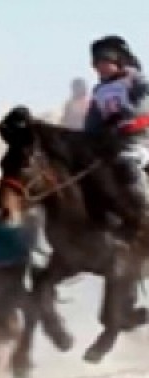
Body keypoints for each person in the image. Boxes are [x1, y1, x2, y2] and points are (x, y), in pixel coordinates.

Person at [84, 35, 149, 241]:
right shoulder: (99, 90)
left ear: (118, 61)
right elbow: (92, 120)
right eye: (96, 64)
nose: (99, 68)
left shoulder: (137, 81)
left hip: (139, 141)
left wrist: (125, 116)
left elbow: (145, 106)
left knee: (127, 164)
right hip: (111, 144)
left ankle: (143, 213)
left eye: (104, 63)